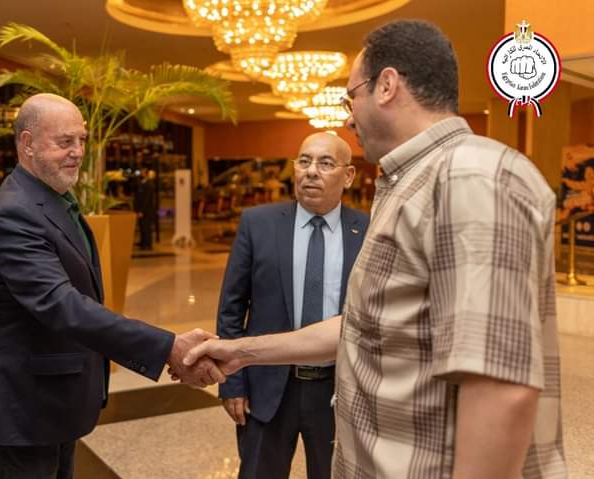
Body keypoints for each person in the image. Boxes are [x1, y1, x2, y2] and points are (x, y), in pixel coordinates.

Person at [183, 20, 567, 478]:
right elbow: (364, 326)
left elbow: (500, 387)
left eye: (352, 98)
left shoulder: (469, 177)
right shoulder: (412, 184)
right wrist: (243, 351)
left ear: (386, 86)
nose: (348, 118)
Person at [0, 93, 224, 479]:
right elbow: (62, 305)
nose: (78, 152)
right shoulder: (13, 213)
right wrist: (168, 347)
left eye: (81, 140)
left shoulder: (50, 198)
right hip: (23, 406)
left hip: (51, 400)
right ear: (27, 143)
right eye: (64, 141)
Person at [217, 132, 369, 478]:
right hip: (268, 387)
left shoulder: (367, 230)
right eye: (304, 161)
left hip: (338, 389)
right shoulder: (258, 223)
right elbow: (231, 308)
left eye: (325, 163)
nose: (311, 171)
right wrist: (233, 382)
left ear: (348, 176)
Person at [133, 168, 157, 250]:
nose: (141, 173)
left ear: (146, 174)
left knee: (146, 228)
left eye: (142, 172)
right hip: (141, 210)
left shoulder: (149, 185)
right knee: (142, 227)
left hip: (146, 211)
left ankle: (147, 244)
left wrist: (141, 211)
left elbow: (147, 199)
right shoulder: (142, 183)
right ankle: (143, 242)